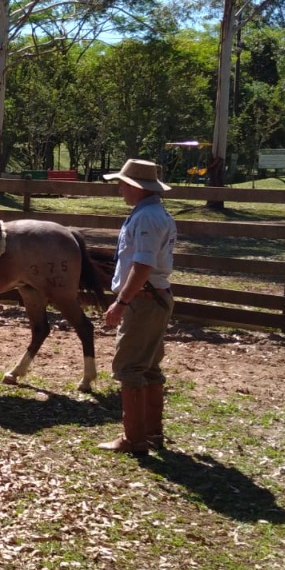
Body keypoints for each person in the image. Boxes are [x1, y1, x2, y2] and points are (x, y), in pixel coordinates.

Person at [99, 158, 177, 455]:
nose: (120, 189)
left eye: (122, 183)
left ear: (135, 186)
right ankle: (151, 433)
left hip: (143, 300)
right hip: (154, 297)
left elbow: (142, 264)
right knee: (149, 366)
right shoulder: (155, 214)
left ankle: (134, 439)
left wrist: (121, 302)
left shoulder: (146, 218)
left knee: (129, 367)